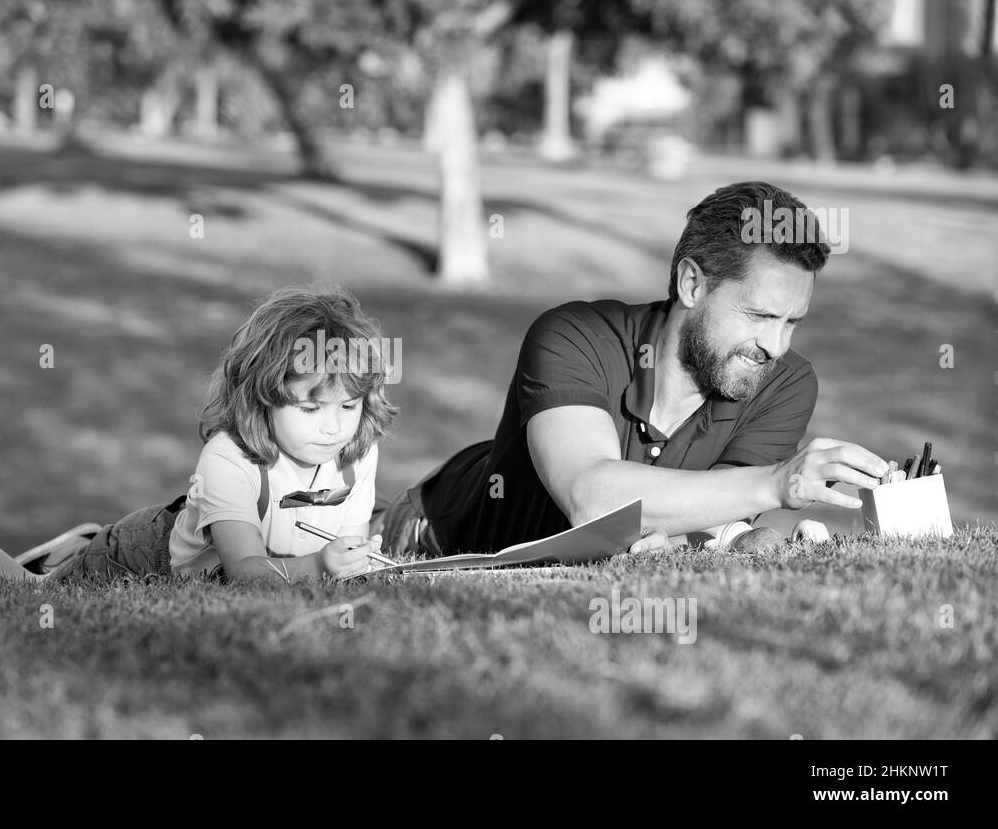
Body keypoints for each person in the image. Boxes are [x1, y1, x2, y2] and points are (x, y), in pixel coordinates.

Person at [374, 181, 889, 558]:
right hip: (431, 537)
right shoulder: (572, 335)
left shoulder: (786, 383)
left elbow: (711, 517)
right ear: (693, 285)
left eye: (793, 322)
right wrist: (778, 484)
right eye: (759, 316)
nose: (775, 346)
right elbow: (589, 496)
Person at [0, 285, 398, 583]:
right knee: (28, 589)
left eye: (349, 405)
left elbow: (348, 543)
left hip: (230, 556)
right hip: (143, 556)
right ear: (263, 396)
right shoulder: (230, 460)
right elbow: (245, 572)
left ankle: (73, 545)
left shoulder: (356, 452)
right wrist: (321, 564)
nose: (334, 426)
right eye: (310, 407)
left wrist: (353, 557)